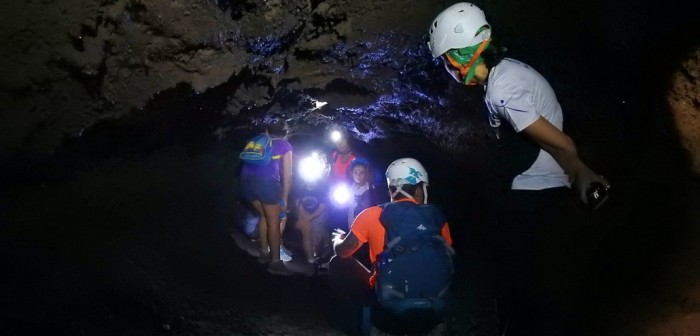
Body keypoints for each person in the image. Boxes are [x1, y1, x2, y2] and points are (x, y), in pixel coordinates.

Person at [428, 3, 611, 334]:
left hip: (534, 195)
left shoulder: (503, 88)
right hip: (535, 191)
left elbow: (561, 143)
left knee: (521, 296)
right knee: (531, 292)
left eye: (447, 60)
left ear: (459, 55)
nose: (448, 68)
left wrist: (581, 172)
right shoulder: (504, 75)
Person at [330, 158, 453, 336]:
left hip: (387, 311)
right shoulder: (437, 220)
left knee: (338, 263)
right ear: (419, 189)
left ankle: (356, 324)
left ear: (390, 191)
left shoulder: (372, 215)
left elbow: (342, 252)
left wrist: (337, 240)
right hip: (432, 312)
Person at [240, 118, 293, 275]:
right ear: (286, 133)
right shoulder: (285, 145)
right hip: (266, 184)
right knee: (274, 222)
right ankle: (275, 263)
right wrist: (284, 198)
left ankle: (264, 254)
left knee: (264, 216)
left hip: (246, 181)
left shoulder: (258, 140)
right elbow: (288, 176)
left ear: (267, 131)